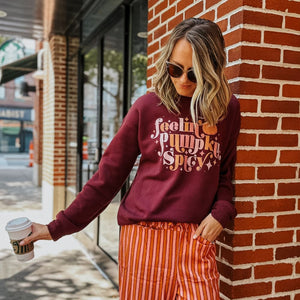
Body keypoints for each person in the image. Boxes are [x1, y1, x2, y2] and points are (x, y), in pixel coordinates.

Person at [21, 18, 240, 299]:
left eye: (194, 73)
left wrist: (222, 212)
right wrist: (56, 228)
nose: (182, 81)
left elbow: (224, 174)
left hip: (197, 238)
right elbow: (107, 179)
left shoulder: (227, 110)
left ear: (212, 70)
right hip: (144, 238)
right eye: (175, 69)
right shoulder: (148, 107)